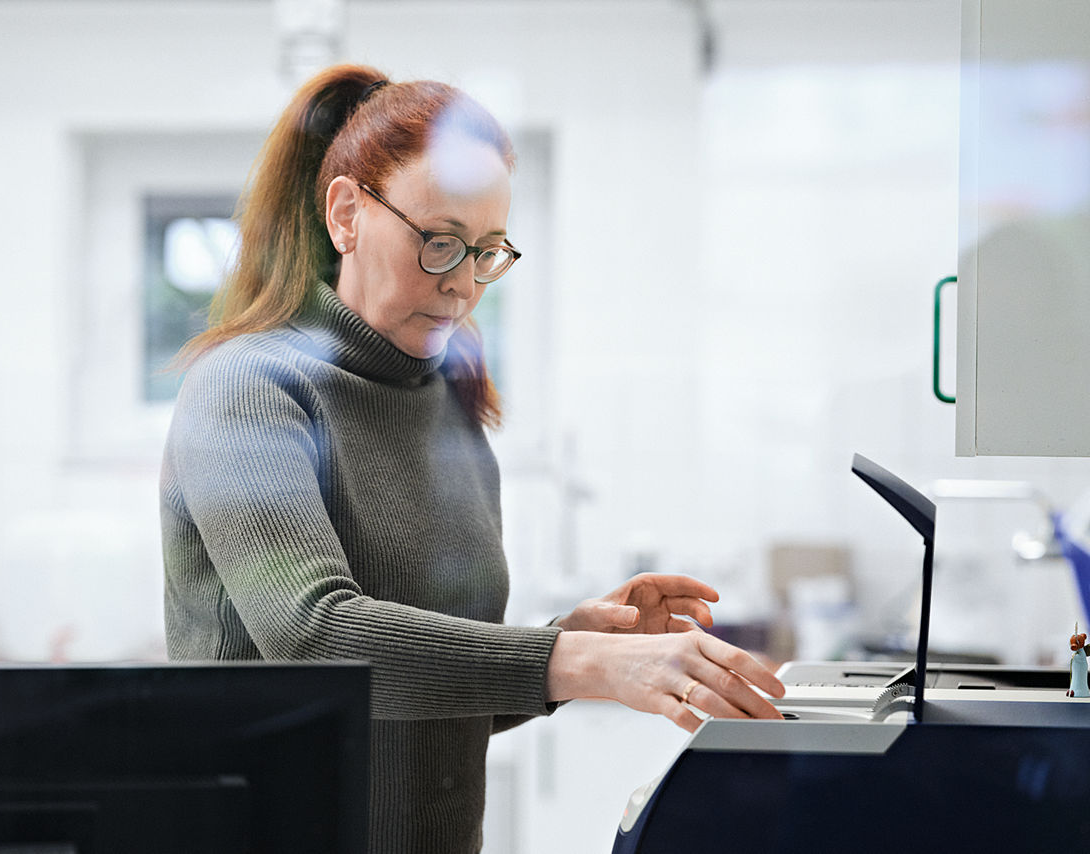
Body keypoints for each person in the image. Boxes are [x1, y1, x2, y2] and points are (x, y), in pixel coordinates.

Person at [159, 63, 785, 853]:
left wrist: (579, 633)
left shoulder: (447, 401)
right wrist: (577, 660)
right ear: (347, 214)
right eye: (439, 242)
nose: (461, 285)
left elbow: (431, 693)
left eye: (487, 251)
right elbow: (316, 640)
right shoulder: (249, 388)